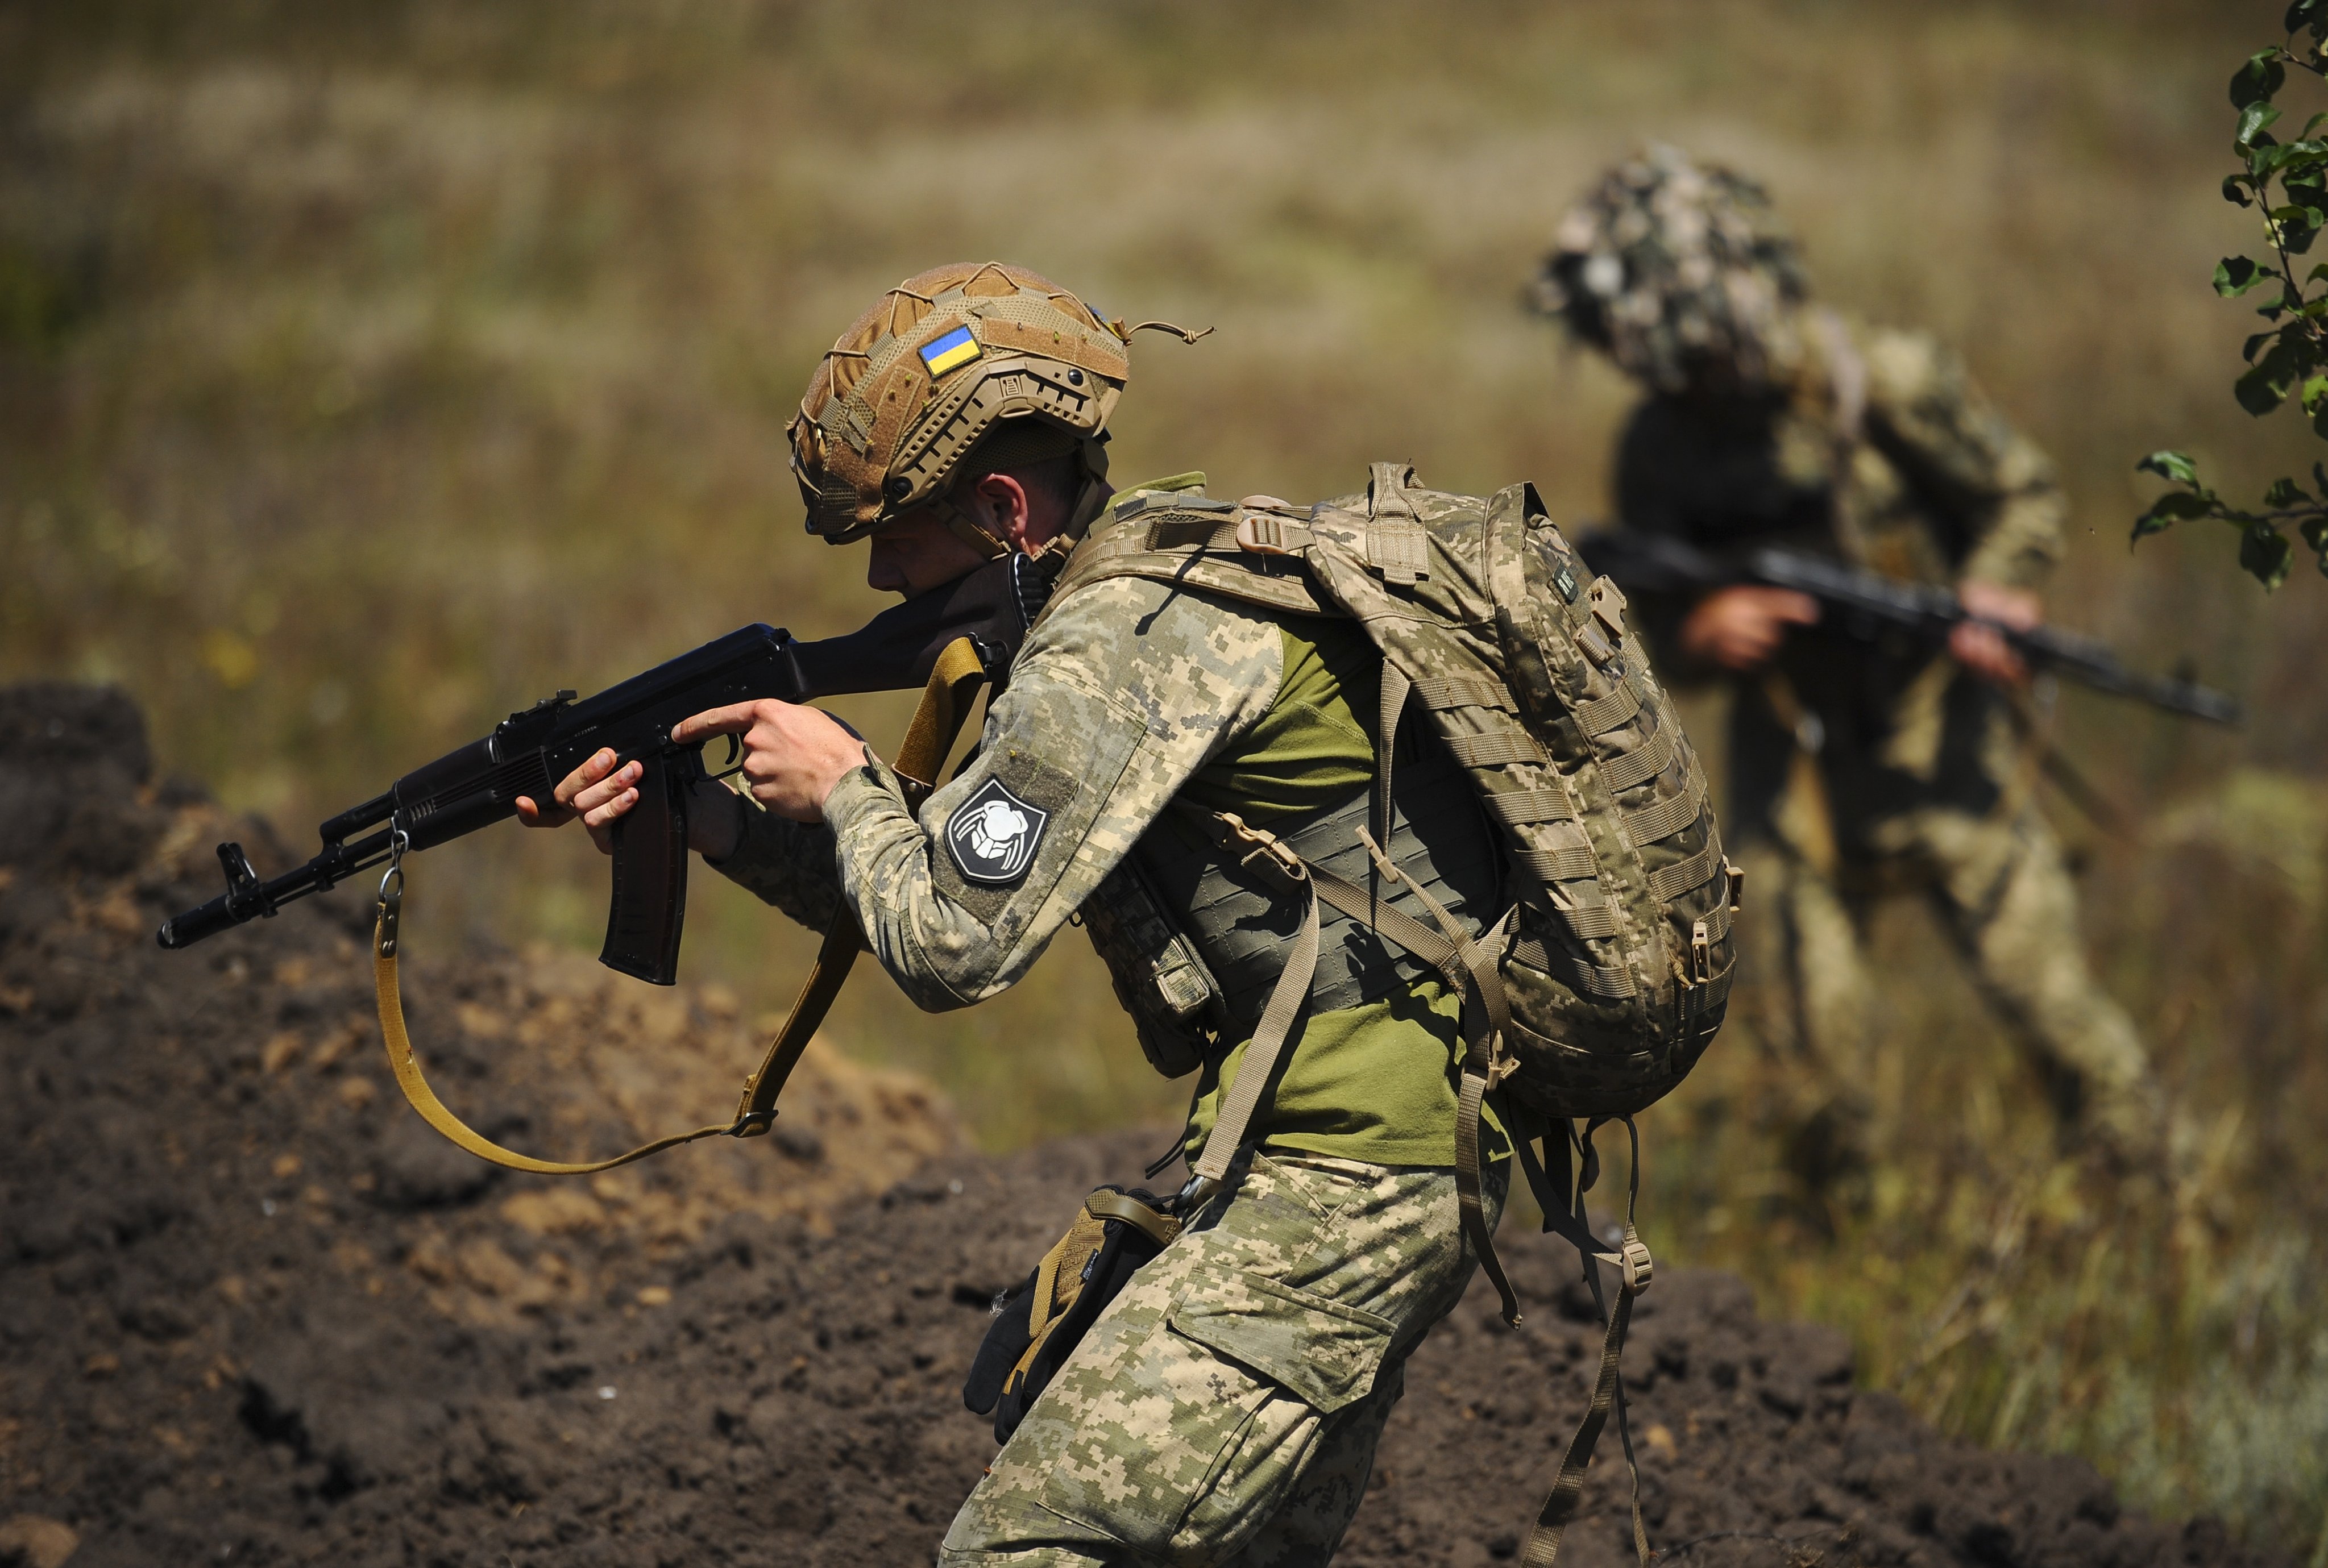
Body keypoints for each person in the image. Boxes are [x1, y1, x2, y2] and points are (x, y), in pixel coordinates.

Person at [516, 262, 1516, 1564]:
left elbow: (949, 947)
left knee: (1020, 1550)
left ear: (999, 505)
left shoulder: (1116, 643)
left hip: (1349, 1171)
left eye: (895, 534)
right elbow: (943, 882)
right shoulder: (1149, 582)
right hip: (1355, 1147)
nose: (878, 575)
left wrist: (846, 783)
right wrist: (704, 820)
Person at [1527, 147, 2169, 1195]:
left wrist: (1999, 593)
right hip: (1793, 763)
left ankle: (2151, 1201)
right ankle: (1839, 1239)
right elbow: (1636, 624)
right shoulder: (1660, 446)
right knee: (1813, 1042)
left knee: (2048, 999)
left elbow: (2026, 497)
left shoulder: (1886, 382)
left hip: (1942, 743)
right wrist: (1706, 632)